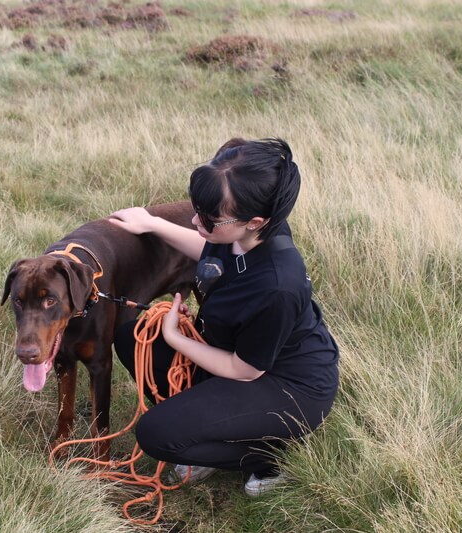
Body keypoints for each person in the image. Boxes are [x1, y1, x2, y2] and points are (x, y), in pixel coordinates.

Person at [107, 137, 339, 497]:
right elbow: (211, 247)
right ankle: (209, 432)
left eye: (210, 219)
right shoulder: (247, 234)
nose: (198, 221)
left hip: (288, 385)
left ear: (254, 221)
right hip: (240, 355)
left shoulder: (278, 286)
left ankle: (268, 455)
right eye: (197, 210)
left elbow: (244, 370)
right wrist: (151, 223)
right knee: (130, 336)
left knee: (156, 435)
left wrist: (176, 338)